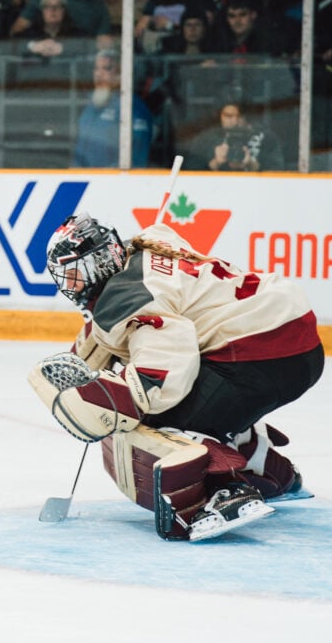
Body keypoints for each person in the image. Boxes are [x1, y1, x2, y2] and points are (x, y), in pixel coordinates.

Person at [31, 212, 322, 540]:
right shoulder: (153, 246)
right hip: (295, 339)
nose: (71, 286)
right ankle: (276, 474)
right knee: (210, 405)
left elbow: (168, 366)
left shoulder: (126, 299)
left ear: (97, 262)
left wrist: (121, 396)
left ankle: (223, 494)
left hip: (258, 354)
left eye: (74, 274)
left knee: (156, 419)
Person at [72, 51, 151, 168]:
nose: (99, 74)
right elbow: (80, 150)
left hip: (115, 182)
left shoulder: (132, 107)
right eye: (96, 69)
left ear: (120, 74)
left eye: (107, 69)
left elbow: (137, 156)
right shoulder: (89, 107)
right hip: (87, 180)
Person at [182, 96, 286, 171]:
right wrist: (215, 163)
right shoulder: (206, 139)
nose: (235, 121)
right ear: (219, 116)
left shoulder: (266, 138)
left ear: (248, 116)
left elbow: (279, 174)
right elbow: (189, 173)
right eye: (228, 116)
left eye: (240, 116)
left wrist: (252, 165)